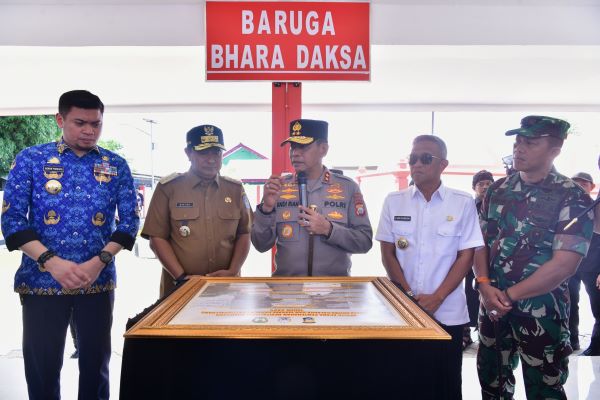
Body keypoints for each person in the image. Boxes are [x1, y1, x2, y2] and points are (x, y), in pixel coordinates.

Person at [0, 89, 139, 399]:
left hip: (97, 282)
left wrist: (99, 260)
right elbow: (12, 222)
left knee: (96, 366)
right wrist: (52, 262)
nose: (89, 131)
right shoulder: (32, 159)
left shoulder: (115, 164)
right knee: (43, 367)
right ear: (60, 120)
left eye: (96, 124)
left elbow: (129, 223)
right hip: (41, 282)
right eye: (80, 123)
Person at [474, 115, 594, 399]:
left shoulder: (572, 196)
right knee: (492, 383)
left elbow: (564, 264)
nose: (519, 148)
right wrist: (483, 284)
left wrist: (507, 296)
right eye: (517, 141)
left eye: (530, 142)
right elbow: (479, 242)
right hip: (492, 305)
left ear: (555, 149)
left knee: (545, 389)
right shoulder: (497, 190)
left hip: (541, 312)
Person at [376, 135, 484, 399]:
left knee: (445, 384)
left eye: (426, 158)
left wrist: (437, 297)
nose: (417, 164)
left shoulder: (462, 202)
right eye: (413, 158)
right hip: (403, 312)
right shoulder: (394, 201)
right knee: (405, 382)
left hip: (447, 311)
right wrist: (406, 297)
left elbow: (466, 255)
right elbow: (388, 253)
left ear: (443, 165)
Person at [251, 119, 372, 276]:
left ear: (323, 149)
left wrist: (329, 229)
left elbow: (364, 242)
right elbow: (260, 245)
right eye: (293, 147)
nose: (295, 153)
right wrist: (266, 209)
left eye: (304, 147)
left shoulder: (347, 187)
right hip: (288, 290)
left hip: (333, 291)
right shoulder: (279, 187)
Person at [141, 124, 252, 296]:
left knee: (227, 324)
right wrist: (182, 278)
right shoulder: (168, 188)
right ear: (188, 153)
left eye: (216, 152)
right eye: (203, 152)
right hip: (179, 288)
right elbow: (157, 238)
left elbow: (245, 233)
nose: (211, 159)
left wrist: (233, 270)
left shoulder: (235, 189)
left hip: (226, 287)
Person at [568, 172, 600, 355]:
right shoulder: (566, 206)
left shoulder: (596, 205)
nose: (579, 187)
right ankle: (572, 341)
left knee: (597, 306)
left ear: (592, 186)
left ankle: (596, 346)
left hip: (593, 266)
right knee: (570, 303)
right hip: (570, 265)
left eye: (583, 184)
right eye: (575, 184)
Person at [463, 170, 495, 350]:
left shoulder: (497, 205)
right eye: (481, 184)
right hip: (469, 258)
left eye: (488, 183)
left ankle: (488, 331)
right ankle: (467, 332)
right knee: (470, 294)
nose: (485, 187)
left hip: (491, 259)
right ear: (474, 187)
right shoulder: (469, 207)